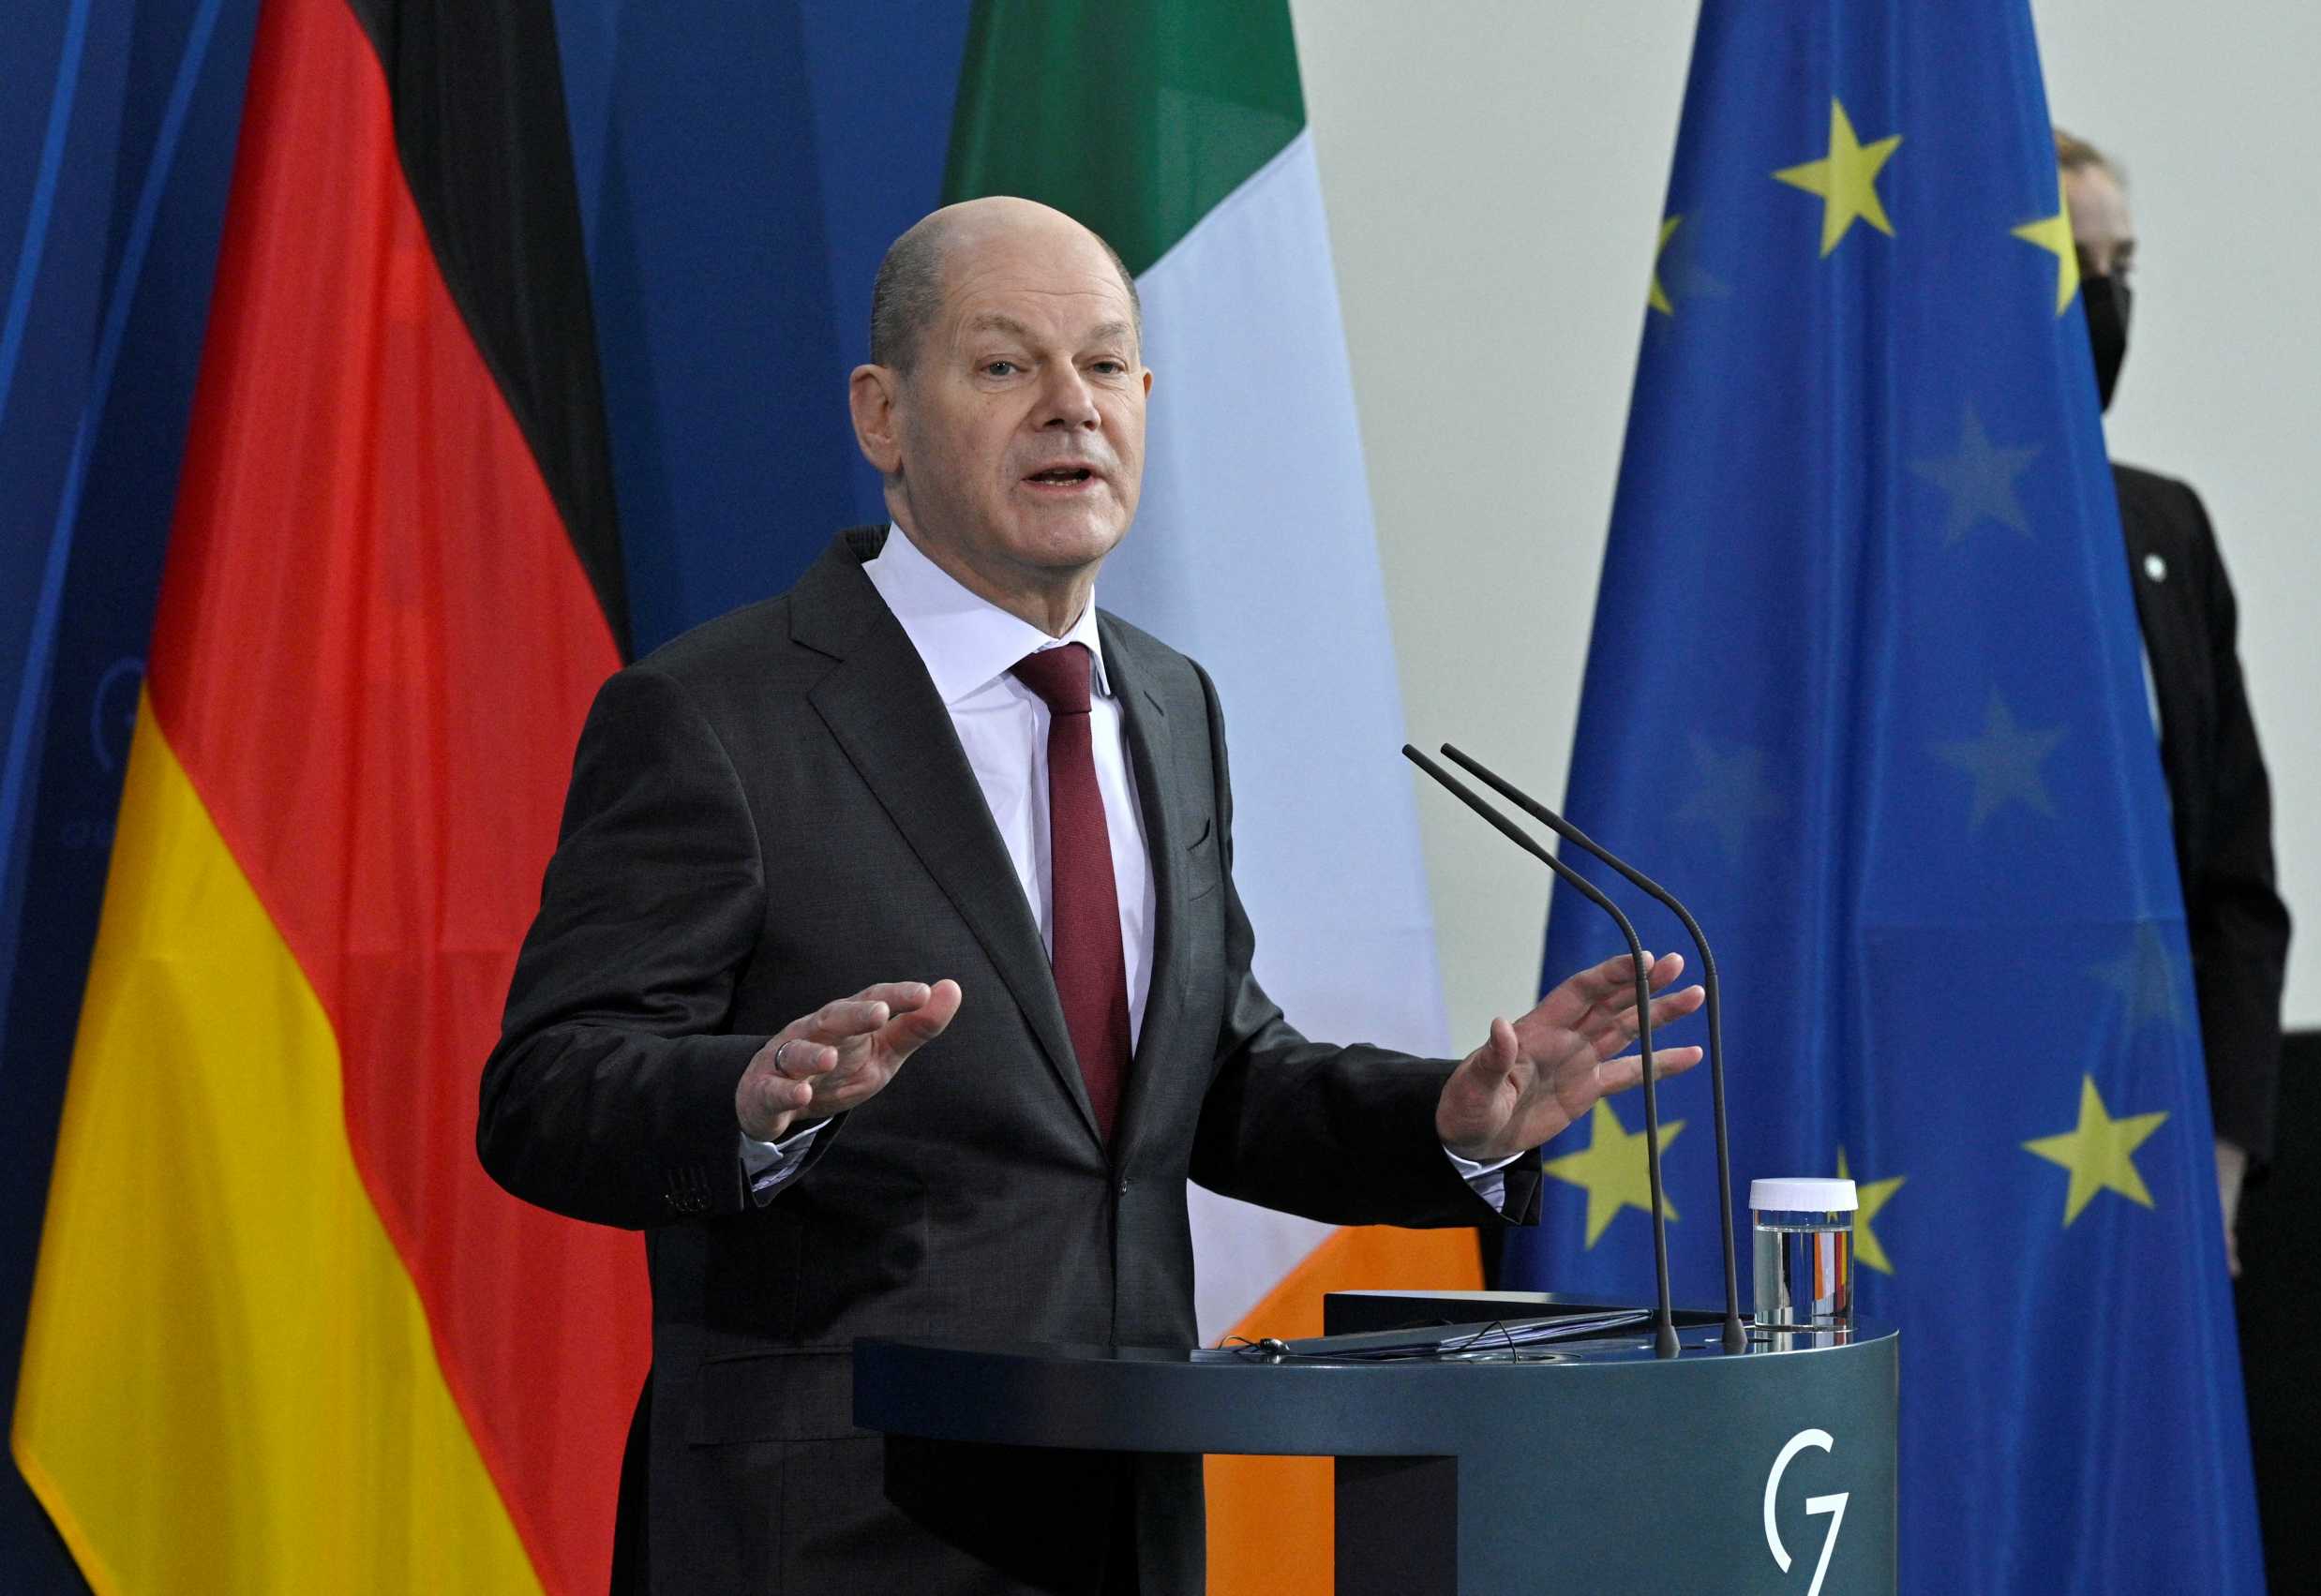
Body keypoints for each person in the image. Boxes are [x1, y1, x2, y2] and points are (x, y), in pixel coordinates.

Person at [478, 196, 1705, 1596]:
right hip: (826, 1524)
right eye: (1006, 366)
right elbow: (544, 1089)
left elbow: (1213, 1076)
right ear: (882, 414)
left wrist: (1450, 1118)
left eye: (1107, 365)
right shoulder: (717, 713)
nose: (1072, 407)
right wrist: (747, 1098)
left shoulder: (1166, 702)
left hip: (1119, 1513)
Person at [2058, 131, 2292, 1275]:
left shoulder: (2165, 529)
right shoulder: (1885, 553)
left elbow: (2234, 881)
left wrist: (2222, 1156)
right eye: (2072, 265)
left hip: (2149, 1145)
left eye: (2124, 269)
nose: (2106, 304)